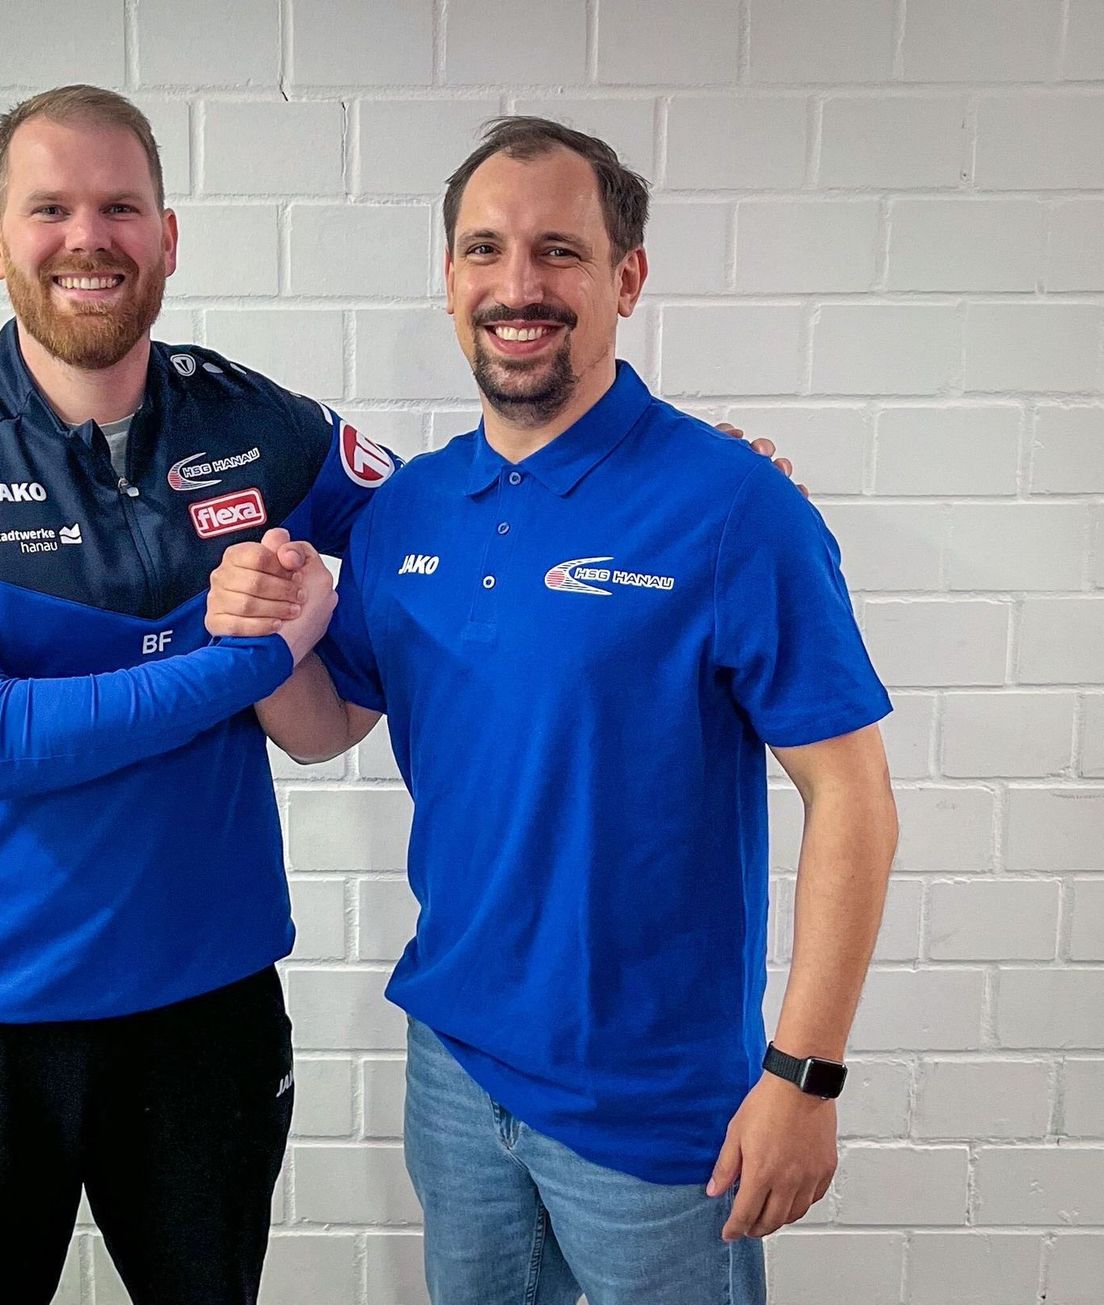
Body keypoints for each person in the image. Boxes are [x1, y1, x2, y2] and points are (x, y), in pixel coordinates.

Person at [0, 86, 799, 1304]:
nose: (88, 237)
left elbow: (456, 515)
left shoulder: (258, 423)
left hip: (205, 1009)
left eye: (120, 208)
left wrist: (682, 485)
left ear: (167, 237)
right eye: (51, 210)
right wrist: (244, 660)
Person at [205, 117, 899, 1305]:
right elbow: (324, 731)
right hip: (455, 1066)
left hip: (657, 1103)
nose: (517, 286)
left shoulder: (732, 507)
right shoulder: (409, 509)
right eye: (485, 250)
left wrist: (804, 1076)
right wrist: (261, 638)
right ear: (448, 280)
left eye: (558, 252)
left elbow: (852, 797)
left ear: (626, 277)